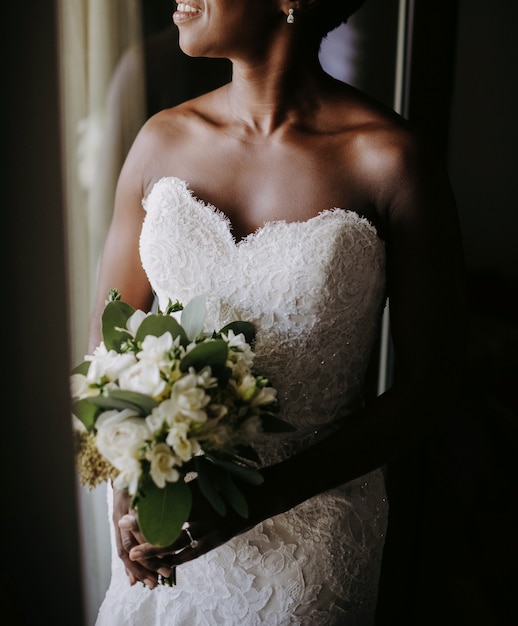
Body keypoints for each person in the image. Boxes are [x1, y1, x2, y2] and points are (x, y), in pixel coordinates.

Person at [89, 0, 466, 623]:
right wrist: (128, 474)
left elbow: (432, 384)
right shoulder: (160, 141)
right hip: (168, 525)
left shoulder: (390, 160)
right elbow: (111, 339)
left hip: (310, 539)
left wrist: (250, 499)